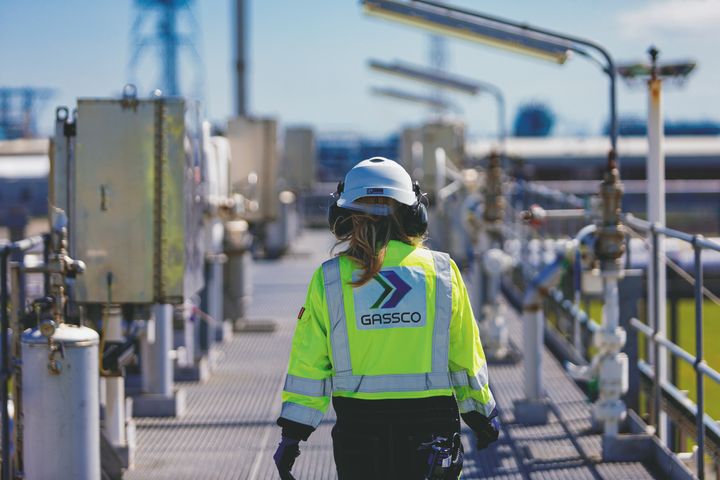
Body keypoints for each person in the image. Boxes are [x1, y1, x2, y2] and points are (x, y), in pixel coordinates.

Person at [273, 157, 500, 479]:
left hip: (359, 428)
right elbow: (464, 352)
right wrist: (481, 413)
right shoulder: (441, 272)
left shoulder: (331, 279)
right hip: (431, 429)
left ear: (342, 216)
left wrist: (293, 433)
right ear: (414, 213)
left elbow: (309, 363)